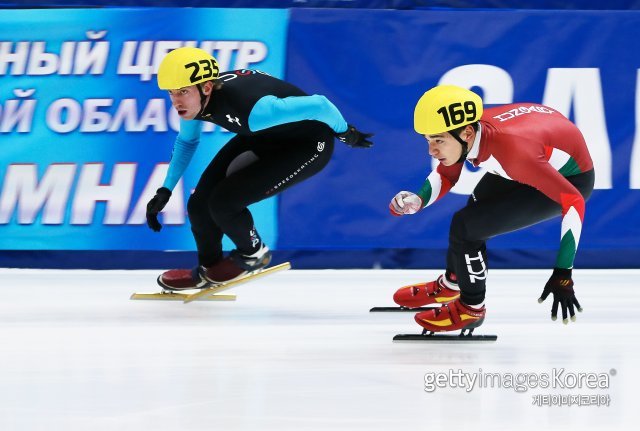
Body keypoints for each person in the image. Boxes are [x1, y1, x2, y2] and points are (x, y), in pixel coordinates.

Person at [146, 47, 373, 290]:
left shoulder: (252, 110)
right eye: (171, 93)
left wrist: (345, 132)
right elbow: (187, 142)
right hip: (262, 137)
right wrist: (165, 190)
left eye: (182, 92)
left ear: (207, 87)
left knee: (224, 202)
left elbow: (321, 105)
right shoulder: (196, 101)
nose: (176, 101)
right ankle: (208, 270)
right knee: (199, 204)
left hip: (305, 146)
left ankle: (253, 254)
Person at [389, 85, 594, 333]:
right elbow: (447, 172)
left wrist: (564, 272)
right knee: (473, 212)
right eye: (428, 140)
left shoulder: (514, 153)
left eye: (438, 140)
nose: (431, 150)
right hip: (536, 152)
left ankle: (472, 308)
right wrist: (418, 200)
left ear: (466, 134)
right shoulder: (471, 132)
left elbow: (574, 201)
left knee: (466, 226)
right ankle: (454, 283)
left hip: (569, 180)